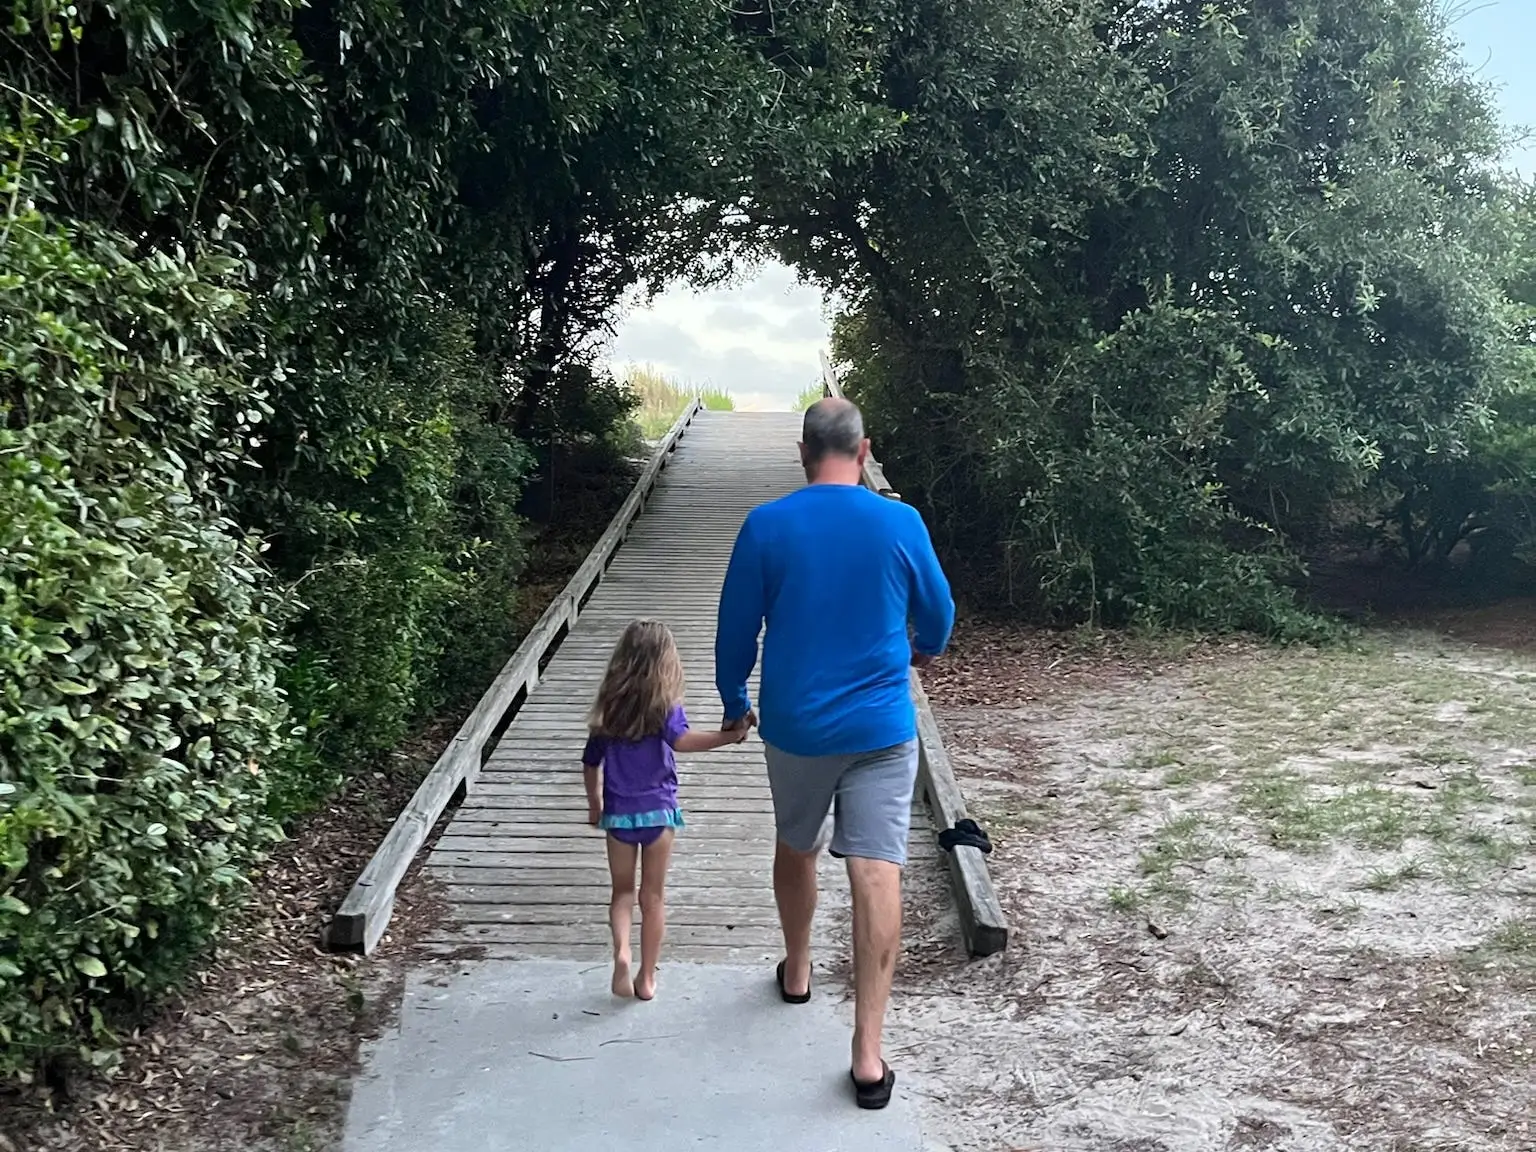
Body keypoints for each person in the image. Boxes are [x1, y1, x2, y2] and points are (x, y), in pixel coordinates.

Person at [714, 397, 955, 1110]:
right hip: (883, 728)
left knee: (796, 845)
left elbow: (735, 633)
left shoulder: (767, 526)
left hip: (796, 728)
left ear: (802, 452)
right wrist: (923, 649)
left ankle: (796, 969)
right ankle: (869, 1053)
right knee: (878, 872)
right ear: (864, 449)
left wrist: (734, 703)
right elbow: (939, 616)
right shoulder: (900, 522)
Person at [582, 619, 747, 1001]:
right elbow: (684, 742)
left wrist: (595, 803)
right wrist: (727, 737)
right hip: (658, 813)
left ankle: (621, 952)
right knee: (652, 898)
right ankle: (646, 978)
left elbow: (590, 762)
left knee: (622, 893)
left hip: (619, 815)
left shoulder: (609, 708)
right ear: (666, 663)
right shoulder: (665, 706)